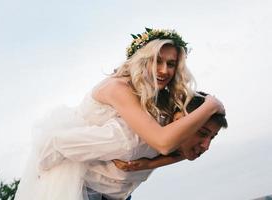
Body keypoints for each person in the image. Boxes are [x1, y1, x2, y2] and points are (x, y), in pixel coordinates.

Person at [14, 28, 225, 200]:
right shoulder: (122, 110)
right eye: (156, 61)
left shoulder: (162, 104)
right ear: (141, 60)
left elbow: (185, 146)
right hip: (84, 190)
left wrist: (153, 163)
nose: (164, 70)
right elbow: (164, 142)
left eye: (171, 64)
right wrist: (212, 105)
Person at [112, 92, 228, 172]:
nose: (206, 146)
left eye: (212, 137)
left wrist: (150, 164)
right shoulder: (130, 139)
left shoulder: (181, 147)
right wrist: (211, 105)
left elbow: (183, 154)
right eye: (202, 133)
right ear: (178, 119)